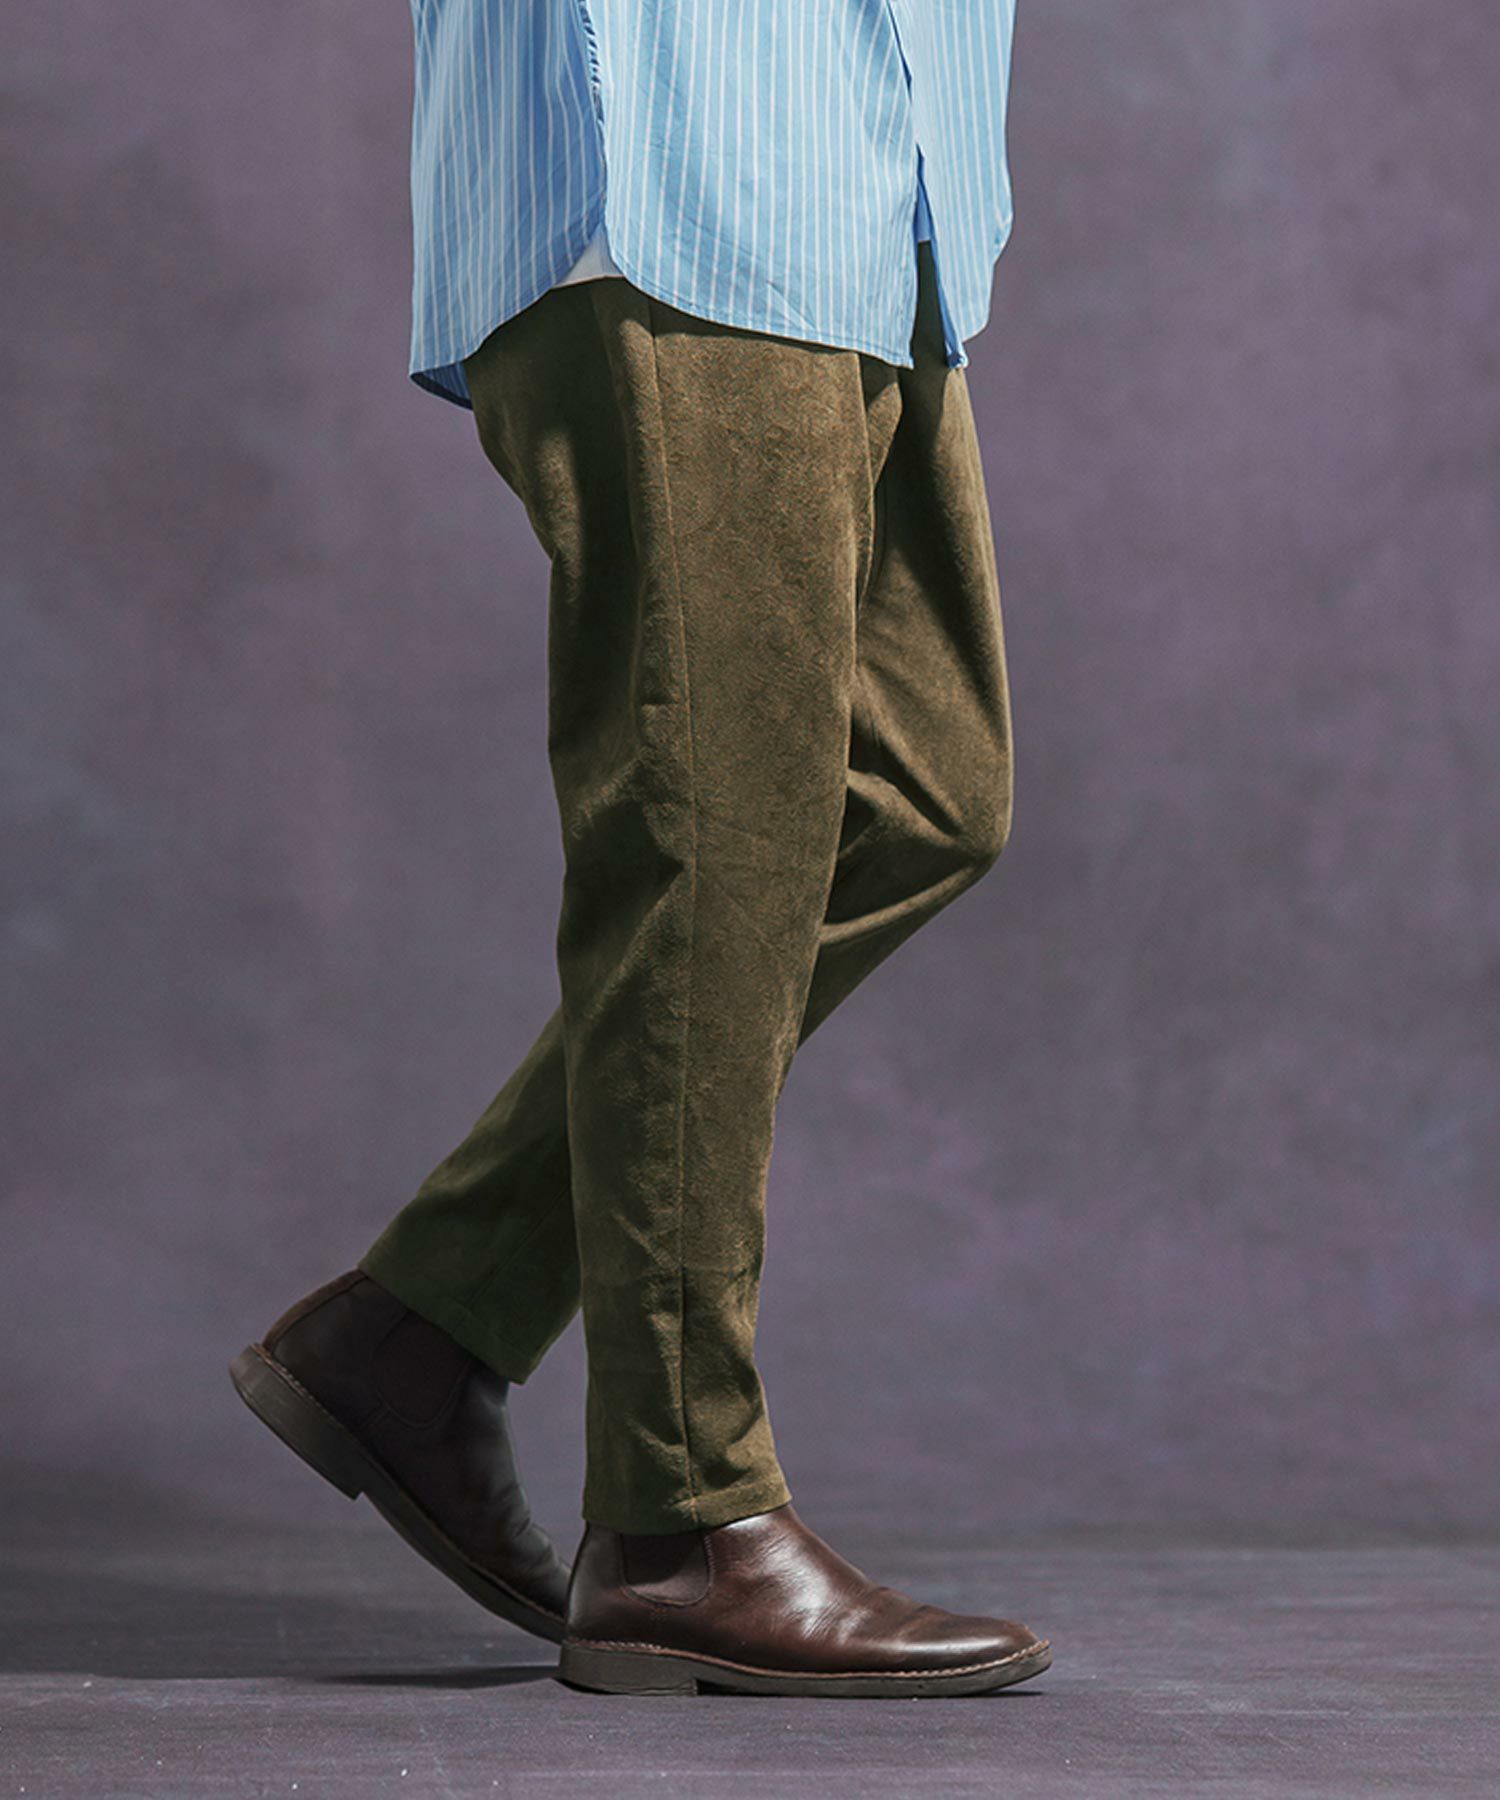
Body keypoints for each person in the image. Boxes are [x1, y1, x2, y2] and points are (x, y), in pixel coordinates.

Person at [231, 1, 1051, 1698]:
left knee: (921, 795)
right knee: (716, 835)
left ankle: (420, 1328)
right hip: (683, 165)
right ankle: (683, 1527)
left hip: (871, 176)